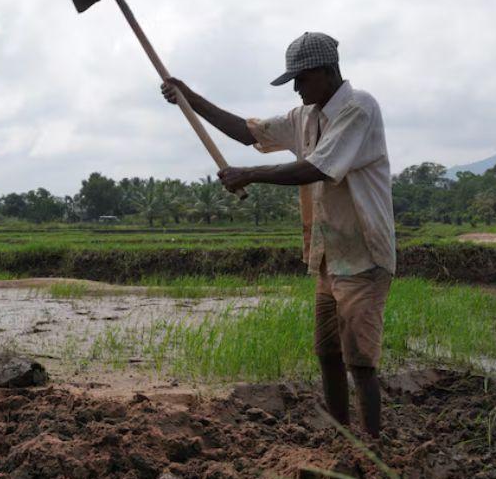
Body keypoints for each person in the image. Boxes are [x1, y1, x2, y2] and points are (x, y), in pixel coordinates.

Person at [161, 32, 396, 438]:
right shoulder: (304, 117)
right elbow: (247, 131)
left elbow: (317, 168)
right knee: (327, 352)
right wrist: (189, 97)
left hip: (364, 255)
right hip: (329, 256)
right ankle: (341, 438)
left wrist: (250, 174)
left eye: (301, 78)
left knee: (360, 359)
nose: (296, 87)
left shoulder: (358, 109)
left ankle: (374, 446)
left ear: (327, 71)